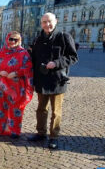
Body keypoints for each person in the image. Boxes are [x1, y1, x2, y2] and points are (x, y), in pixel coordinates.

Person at [28, 13, 78, 149]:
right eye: (44, 22)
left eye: (49, 21)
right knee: (41, 109)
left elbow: (73, 57)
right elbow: (33, 59)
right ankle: (41, 133)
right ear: (41, 23)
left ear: (55, 21)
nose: (47, 24)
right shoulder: (38, 39)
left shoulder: (64, 37)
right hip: (41, 80)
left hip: (57, 80)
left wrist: (56, 63)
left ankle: (54, 136)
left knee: (56, 111)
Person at [0, 31, 33, 138]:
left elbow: (28, 68)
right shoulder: (0, 52)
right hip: (0, 87)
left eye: (16, 39)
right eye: (11, 39)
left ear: (19, 41)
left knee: (16, 108)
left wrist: (16, 73)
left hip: (16, 87)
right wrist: (0, 72)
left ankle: (14, 130)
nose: (13, 41)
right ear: (7, 39)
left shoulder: (23, 53)